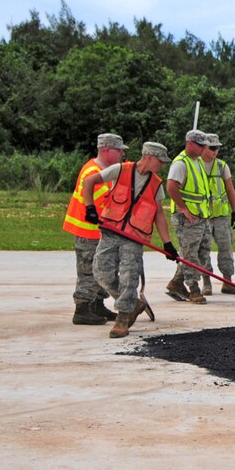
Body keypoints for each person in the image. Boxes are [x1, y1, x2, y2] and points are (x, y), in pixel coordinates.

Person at [83, 142, 179, 339]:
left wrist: (167, 243)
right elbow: (88, 182)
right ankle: (133, 303)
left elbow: (159, 214)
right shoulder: (120, 170)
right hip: (111, 231)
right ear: (150, 158)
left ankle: (123, 318)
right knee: (101, 273)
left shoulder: (156, 184)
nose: (162, 166)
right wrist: (89, 207)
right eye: (160, 162)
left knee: (129, 277)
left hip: (134, 238)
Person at [62, 133, 126, 325]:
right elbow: (104, 203)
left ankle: (97, 305)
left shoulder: (103, 171)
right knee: (89, 271)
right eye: (119, 150)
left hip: (98, 232)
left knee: (102, 269)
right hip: (88, 232)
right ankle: (82, 309)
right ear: (106, 149)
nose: (122, 154)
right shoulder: (92, 172)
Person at [164, 129, 212, 304]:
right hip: (188, 219)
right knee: (190, 254)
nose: (202, 149)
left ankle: (177, 282)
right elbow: (171, 186)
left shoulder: (197, 161)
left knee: (202, 253)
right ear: (189, 143)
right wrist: (183, 208)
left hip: (201, 216)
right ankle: (193, 289)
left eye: (204, 146)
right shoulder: (180, 163)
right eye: (199, 146)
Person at [197, 133, 235, 295]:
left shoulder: (222, 166)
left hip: (221, 216)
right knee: (203, 251)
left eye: (218, 148)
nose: (216, 151)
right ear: (203, 147)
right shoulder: (195, 165)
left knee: (226, 248)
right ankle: (206, 283)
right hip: (202, 216)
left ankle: (227, 281)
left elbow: (230, 189)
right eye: (212, 148)